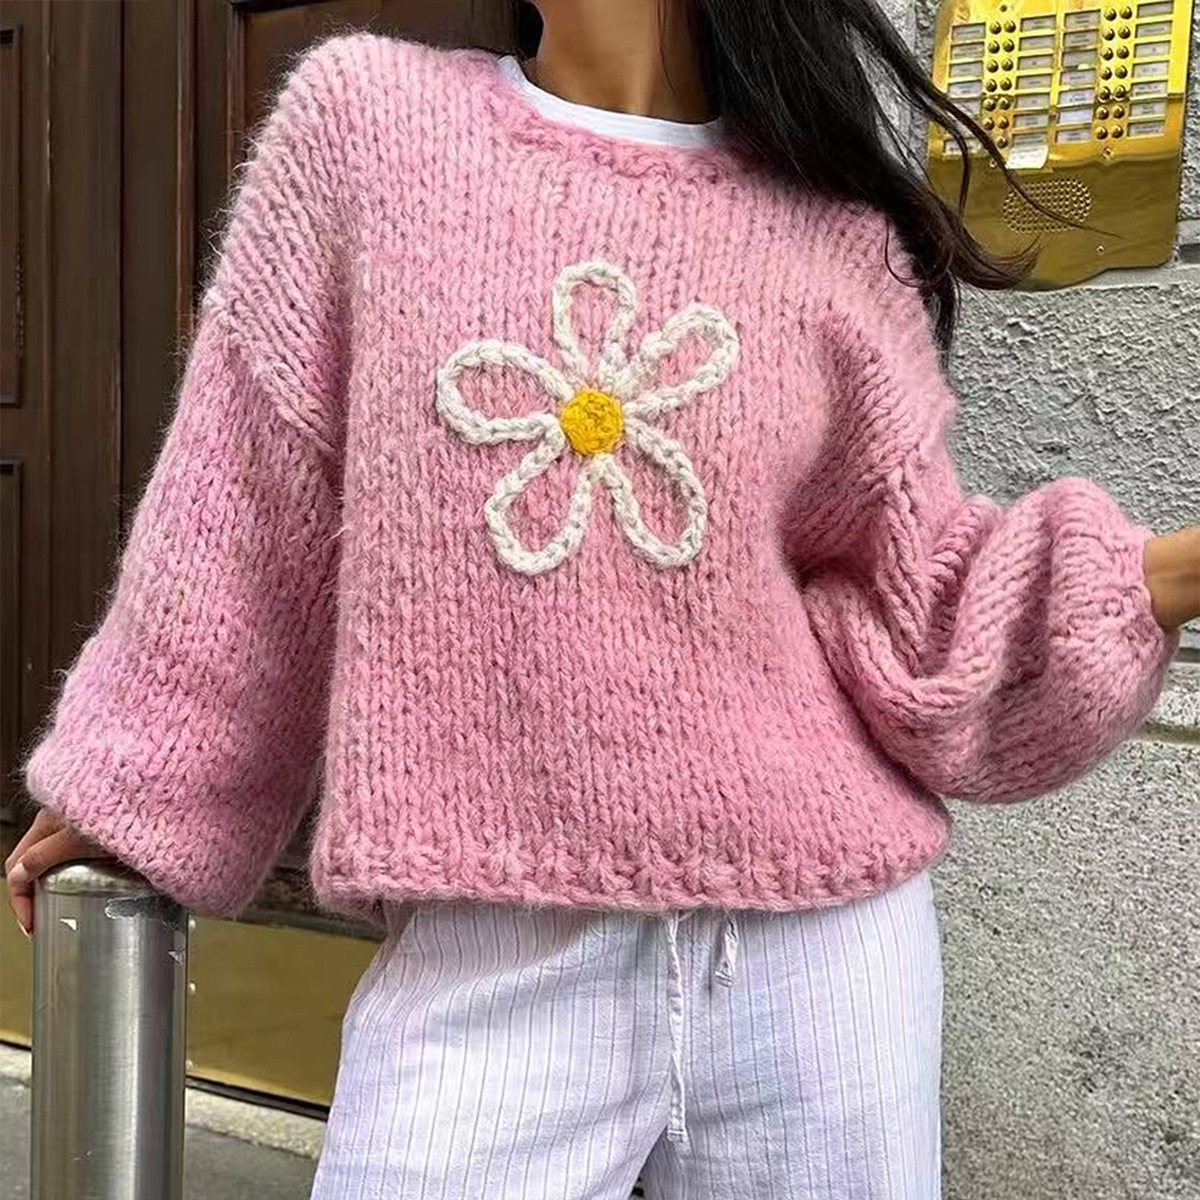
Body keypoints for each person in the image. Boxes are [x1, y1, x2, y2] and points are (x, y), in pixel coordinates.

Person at [7, 1, 1197, 1196]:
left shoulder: (835, 237)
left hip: (821, 964)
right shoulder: (367, 124)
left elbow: (920, 594)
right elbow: (254, 485)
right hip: (492, 948)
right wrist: (143, 781)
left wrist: (1169, 573)